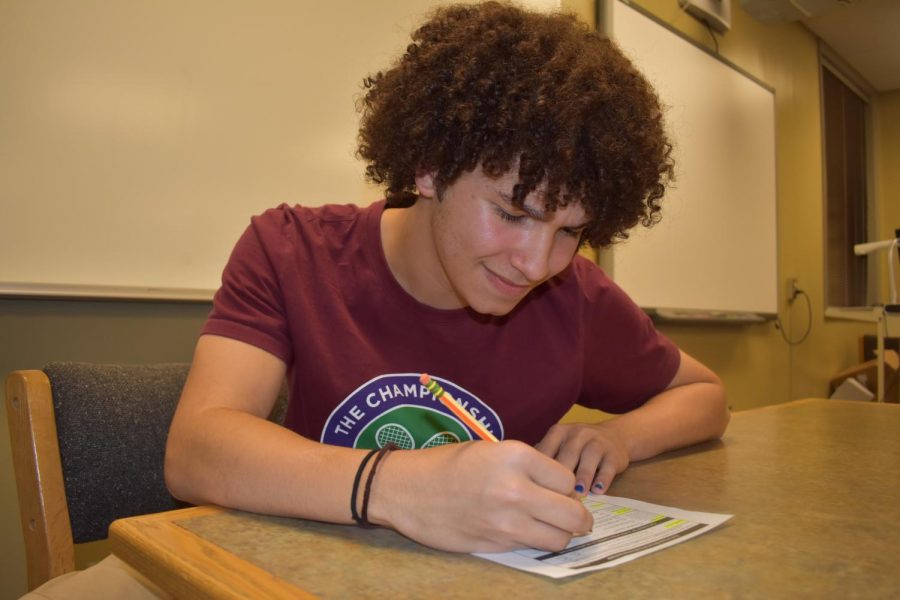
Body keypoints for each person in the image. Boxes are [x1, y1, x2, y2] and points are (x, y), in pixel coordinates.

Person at [163, 0, 729, 556]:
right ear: (431, 167)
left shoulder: (574, 296)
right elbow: (195, 451)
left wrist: (618, 437)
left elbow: (705, 396)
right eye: (512, 213)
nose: (536, 265)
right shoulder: (291, 250)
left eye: (570, 232)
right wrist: (399, 488)